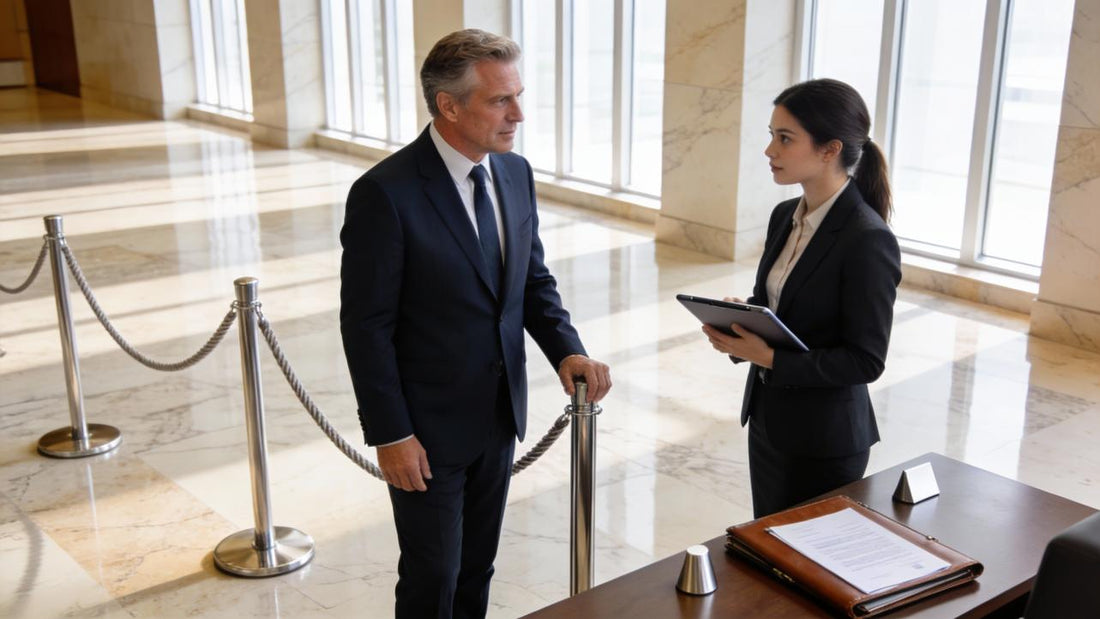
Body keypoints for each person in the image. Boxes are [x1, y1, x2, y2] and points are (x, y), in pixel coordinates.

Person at [339, 29, 611, 619]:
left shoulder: (513, 173)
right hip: (424, 432)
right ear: (449, 105)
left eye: (518, 95)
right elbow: (366, 328)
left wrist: (567, 349)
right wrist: (391, 434)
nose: (519, 114)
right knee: (432, 576)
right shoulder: (383, 195)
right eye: (499, 101)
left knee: (476, 568)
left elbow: (531, 281)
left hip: (497, 414)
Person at [702, 78, 901, 518]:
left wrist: (771, 358)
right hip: (770, 424)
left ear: (830, 150)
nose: (770, 150)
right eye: (771, 136)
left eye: (785, 138)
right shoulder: (783, 217)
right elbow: (776, 306)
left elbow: (865, 361)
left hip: (823, 444)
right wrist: (740, 324)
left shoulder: (867, 240)